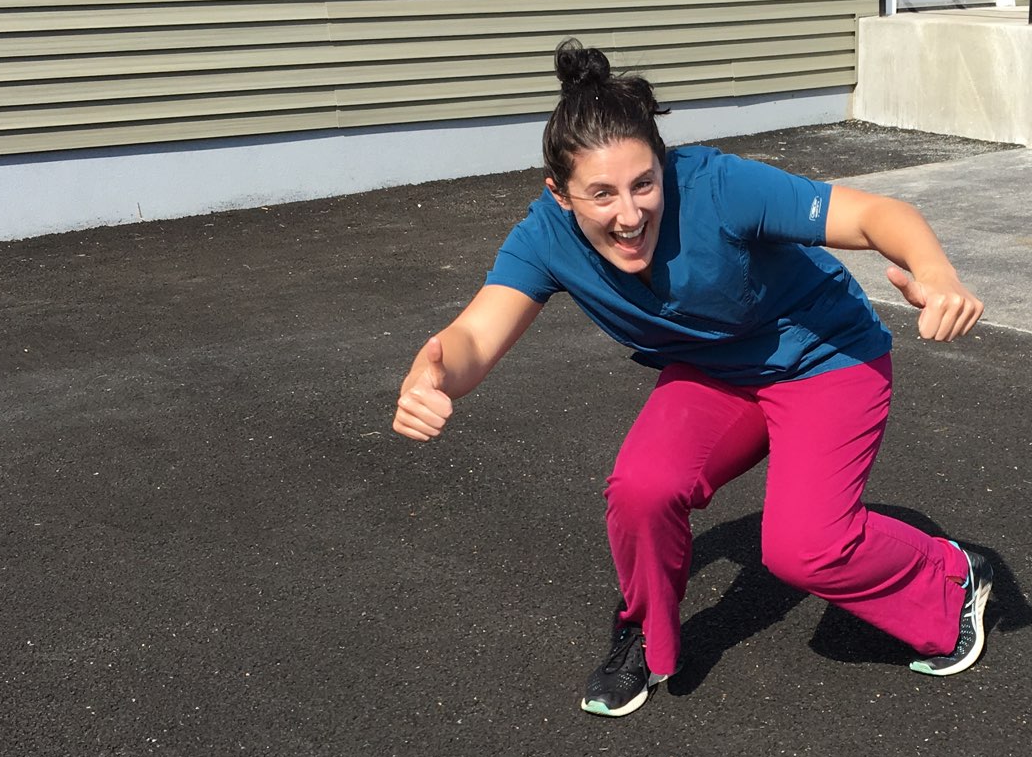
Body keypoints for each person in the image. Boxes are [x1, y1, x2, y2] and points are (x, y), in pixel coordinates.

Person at [393, 40, 990, 717]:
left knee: (806, 551)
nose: (629, 213)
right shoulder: (544, 238)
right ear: (560, 195)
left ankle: (951, 577)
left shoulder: (717, 187)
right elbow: (473, 336)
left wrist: (936, 274)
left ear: (664, 167)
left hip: (826, 357)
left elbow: (876, 215)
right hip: (716, 373)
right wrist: (431, 371)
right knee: (641, 489)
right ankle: (645, 633)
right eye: (601, 194)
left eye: (644, 183)